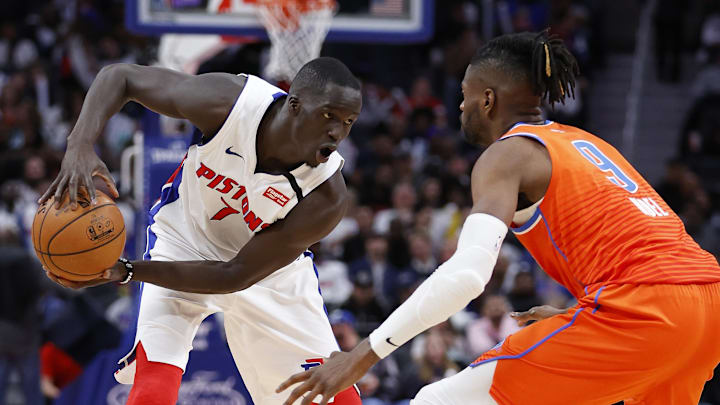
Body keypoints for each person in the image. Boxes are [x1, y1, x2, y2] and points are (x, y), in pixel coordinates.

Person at [276, 30, 720, 405]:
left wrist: (361, 356)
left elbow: (468, 276)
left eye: (464, 97)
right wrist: (582, 314)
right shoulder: (588, 143)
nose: (460, 108)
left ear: (487, 99)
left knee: (435, 401)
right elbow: (642, 250)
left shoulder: (506, 155)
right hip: (707, 309)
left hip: (643, 312)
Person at [39, 57, 363, 405]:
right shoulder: (230, 103)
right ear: (295, 105)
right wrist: (80, 146)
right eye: (329, 115)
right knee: (152, 392)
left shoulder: (326, 196)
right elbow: (120, 77)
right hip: (184, 242)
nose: (338, 133)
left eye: (348, 122)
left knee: (338, 398)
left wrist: (128, 271)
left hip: (267, 273)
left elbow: (233, 275)